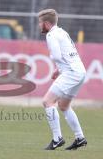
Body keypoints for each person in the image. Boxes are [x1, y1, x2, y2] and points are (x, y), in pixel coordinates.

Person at [38, 9, 87, 150]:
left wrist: (58, 67)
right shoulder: (62, 31)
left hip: (71, 73)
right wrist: (58, 70)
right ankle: (80, 138)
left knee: (47, 101)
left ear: (46, 23)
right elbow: (68, 54)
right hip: (80, 71)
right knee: (64, 106)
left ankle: (57, 139)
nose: (39, 25)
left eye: (40, 23)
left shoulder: (51, 35)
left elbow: (58, 56)